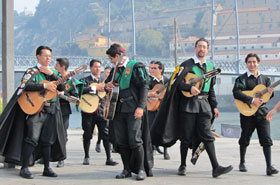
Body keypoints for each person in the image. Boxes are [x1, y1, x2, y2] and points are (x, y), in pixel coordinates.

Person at [151, 38, 232, 178]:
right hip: (188, 106)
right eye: (199, 46)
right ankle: (182, 165)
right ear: (195, 48)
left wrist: (215, 106)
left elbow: (210, 89)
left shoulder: (211, 67)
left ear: (207, 50)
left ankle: (216, 167)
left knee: (208, 136)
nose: (201, 49)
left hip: (204, 106)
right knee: (186, 137)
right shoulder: (186, 65)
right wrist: (189, 87)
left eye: (204, 47)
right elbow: (174, 84)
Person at [0, 46, 67, 179]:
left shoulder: (53, 72)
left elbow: (62, 86)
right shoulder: (32, 71)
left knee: (48, 140)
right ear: (38, 56)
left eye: (50, 56)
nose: (48, 58)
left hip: (51, 109)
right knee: (31, 138)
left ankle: (47, 168)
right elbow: (24, 86)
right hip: (36, 111)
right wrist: (44, 86)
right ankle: (24, 168)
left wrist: (51, 74)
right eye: (45, 56)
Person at [105, 43, 153, 180]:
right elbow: (107, 84)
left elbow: (145, 86)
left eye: (111, 59)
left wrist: (140, 107)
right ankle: (126, 169)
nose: (111, 62)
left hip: (133, 107)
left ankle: (140, 169)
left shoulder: (136, 66)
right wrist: (107, 85)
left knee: (135, 139)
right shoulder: (115, 70)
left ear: (118, 56)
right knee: (122, 140)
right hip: (118, 109)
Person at [233, 53, 278, 176]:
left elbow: (268, 97)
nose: (252, 64)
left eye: (254, 62)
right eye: (249, 62)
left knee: (266, 139)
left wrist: (270, 92)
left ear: (258, 63)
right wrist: (252, 100)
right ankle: (242, 162)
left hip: (262, 112)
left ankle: (269, 167)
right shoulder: (241, 79)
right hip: (247, 112)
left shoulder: (266, 79)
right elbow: (236, 92)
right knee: (245, 137)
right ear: (246, 64)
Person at [80, 59, 118, 166]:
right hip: (88, 111)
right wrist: (95, 88)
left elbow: (110, 92)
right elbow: (80, 90)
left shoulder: (104, 80)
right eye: (95, 67)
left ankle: (109, 158)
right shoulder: (85, 80)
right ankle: (86, 156)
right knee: (87, 134)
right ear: (91, 68)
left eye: (99, 67)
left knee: (105, 134)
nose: (97, 69)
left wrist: (107, 89)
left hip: (101, 111)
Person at [54, 58, 84, 167]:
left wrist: (63, 94)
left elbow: (76, 98)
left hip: (64, 110)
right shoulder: (54, 78)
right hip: (52, 108)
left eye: (56, 65)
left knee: (63, 134)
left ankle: (61, 158)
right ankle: (45, 156)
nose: (54, 67)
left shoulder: (72, 82)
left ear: (62, 67)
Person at [148, 61, 170, 160]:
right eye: (150, 68)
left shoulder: (166, 80)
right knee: (151, 128)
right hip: (151, 107)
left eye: (154, 68)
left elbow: (170, 93)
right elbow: (144, 92)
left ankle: (165, 150)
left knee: (164, 129)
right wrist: (150, 94)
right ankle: (151, 148)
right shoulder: (147, 80)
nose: (151, 70)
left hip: (163, 108)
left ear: (161, 69)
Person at [95, 66, 112, 153]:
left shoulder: (113, 83)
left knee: (108, 127)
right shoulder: (101, 83)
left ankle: (110, 143)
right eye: (105, 72)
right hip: (102, 107)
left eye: (108, 72)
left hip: (110, 107)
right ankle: (98, 142)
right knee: (103, 127)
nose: (106, 74)